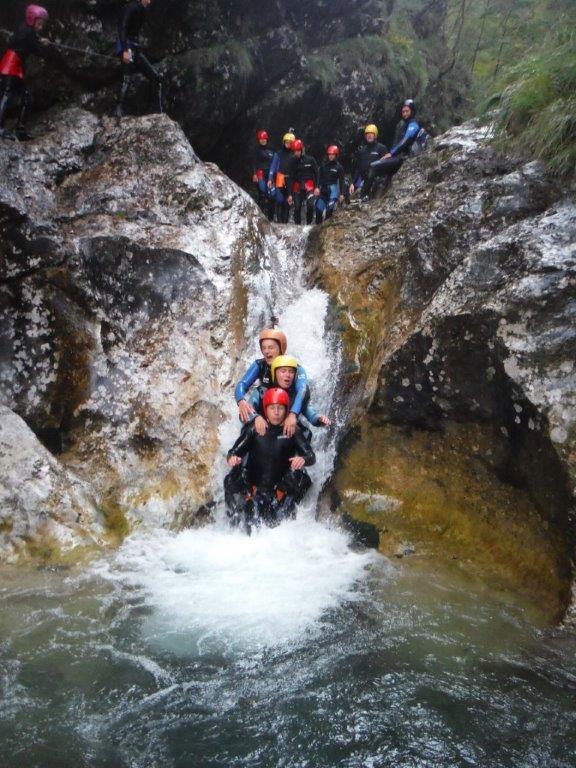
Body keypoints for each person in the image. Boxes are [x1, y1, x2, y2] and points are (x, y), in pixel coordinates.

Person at [224, 387, 316, 532]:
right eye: (272, 408)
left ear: (286, 410)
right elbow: (233, 452)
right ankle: (231, 522)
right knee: (229, 480)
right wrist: (232, 458)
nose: (276, 412)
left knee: (302, 477)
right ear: (265, 410)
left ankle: (290, 516)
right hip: (255, 490)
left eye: (280, 408)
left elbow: (311, 457)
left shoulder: (293, 431)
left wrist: (303, 459)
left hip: (279, 491)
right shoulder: (254, 429)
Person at [234, 329, 309, 437]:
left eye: (270, 348)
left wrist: (293, 414)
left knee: (305, 433)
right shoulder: (260, 365)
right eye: (264, 348)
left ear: (281, 348)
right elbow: (242, 384)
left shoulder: (293, 367)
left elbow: (303, 390)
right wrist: (241, 401)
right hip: (265, 413)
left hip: (287, 412)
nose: (266, 351)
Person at [0, 5, 51, 140]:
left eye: (42, 25)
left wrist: (39, 40)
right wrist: (44, 45)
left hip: (15, 65)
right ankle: (1, 128)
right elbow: (37, 51)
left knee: (26, 97)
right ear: (32, 20)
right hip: (11, 65)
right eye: (39, 24)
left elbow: (32, 38)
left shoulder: (26, 29)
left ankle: (20, 130)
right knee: (8, 95)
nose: (41, 27)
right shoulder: (27, 32)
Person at [248, 354, 331, 434]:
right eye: (283, 371)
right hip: (263, 434)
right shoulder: (262, 391)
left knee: (305, 432)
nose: (287, 375)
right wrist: (256, 417)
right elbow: (245, 413)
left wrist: (319, 419)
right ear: (275, 373)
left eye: (291, 372)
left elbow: (310, 414)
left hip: (286, 437)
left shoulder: (296, 395)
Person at [361, 100, 421, 199]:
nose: (405, 114)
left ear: (412, 112)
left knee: (373, 166)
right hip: (399, 157)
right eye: (403, 112)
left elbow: (405, 141)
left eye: (407, 111)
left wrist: (391, 154)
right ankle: (368, 195)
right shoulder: (405, 125)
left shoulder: (413, 125)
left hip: (402, 158)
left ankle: (364, 196)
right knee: (374, 169)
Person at [115, 0, 163, 119]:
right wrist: (125, 50)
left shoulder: (144, 9)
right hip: (127, 46)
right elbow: (122, 28)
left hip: (136, 48)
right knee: (127, 77)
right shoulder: (131, 7)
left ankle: (153, 108)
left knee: (155, 76)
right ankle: (118, 109)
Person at [349, 124, 388, 197]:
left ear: (375, 135)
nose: (369, 136)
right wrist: (352, 183)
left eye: (371, 134)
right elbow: (358, 168)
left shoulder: (382, 148)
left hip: (376, 179)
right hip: (362, 179)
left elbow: (386, 164)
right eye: (367, 134)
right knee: (353, 198)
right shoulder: (362, 150)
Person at [288, 139, 319, 225]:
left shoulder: (310, 160)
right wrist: (290, 194)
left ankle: (308, 224)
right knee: (297, 207)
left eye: (298, 151)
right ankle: (297, 226)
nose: (296, 153)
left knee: (310, 205)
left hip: (309, 186)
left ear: (301, 150)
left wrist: (317, 187)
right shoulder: (292, 162)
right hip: (298, 186)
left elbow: (316, 173)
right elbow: (291, 178)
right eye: (295, 151)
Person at [268, 132, 295, 223]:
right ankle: (279, 222)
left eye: (290, 142)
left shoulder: (295, 155)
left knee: (287, 202)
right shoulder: (278, 153)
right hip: (280, 179)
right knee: (279, 200)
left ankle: (285, 222)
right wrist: (270, 178)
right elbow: (273, 166)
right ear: (283, 143)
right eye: (286, 142)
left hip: (290, 180)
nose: (288, 144)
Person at [315, 145, 345, 225]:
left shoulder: (339, 167)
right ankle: (316, 231)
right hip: (323, 190)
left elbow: (341, 181)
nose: (331, 156)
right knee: (318, 210)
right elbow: (319, 178)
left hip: (333, 191)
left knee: (329, 211)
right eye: (329, 154)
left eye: (333, 154)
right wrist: (317, 188)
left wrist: (342, 194)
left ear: (336, 155)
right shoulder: (324, 166)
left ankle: (326, 231)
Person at [251, 130, 275, 220]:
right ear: (259, 140)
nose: (263, 140)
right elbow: (253, 162)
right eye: (261, 139)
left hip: (270, 175)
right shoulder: (256, 149)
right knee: (262, 194)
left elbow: (274, 163)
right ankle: (261, 218)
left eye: (264, 139)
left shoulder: (271, 149)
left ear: (266, 139)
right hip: (260, 173)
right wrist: (254, 174)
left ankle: (271, 219)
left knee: (272, 196)